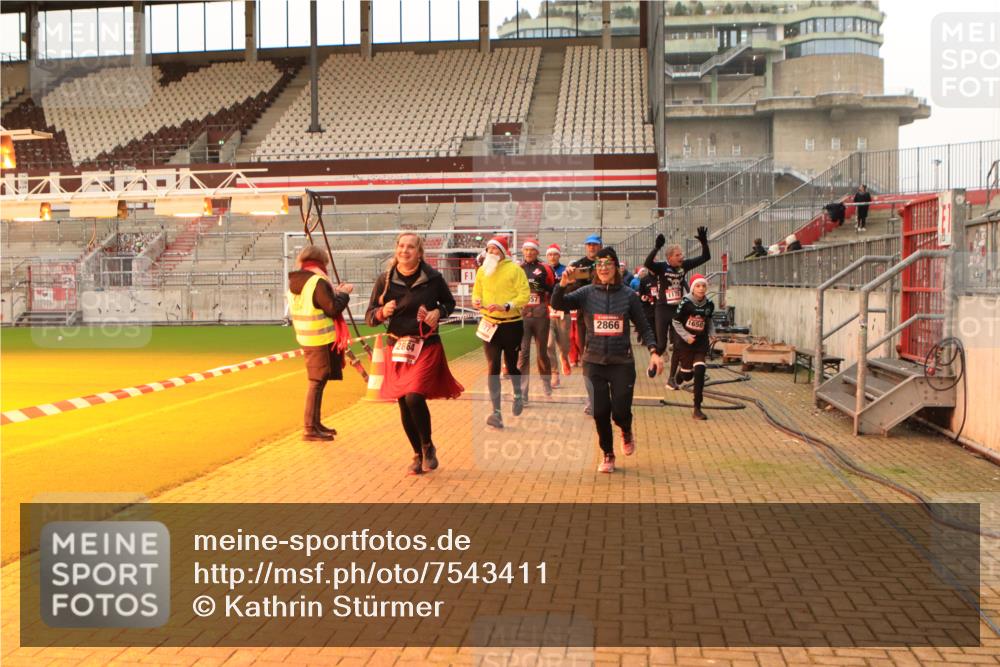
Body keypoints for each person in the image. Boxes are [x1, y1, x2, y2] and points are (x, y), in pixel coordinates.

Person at [551, 247, 663, 473]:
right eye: (599, 265)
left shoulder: (628, 296)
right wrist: (562, 284)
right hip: (593, 362)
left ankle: (626, 429)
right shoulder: (586, 293)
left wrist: (653, 351)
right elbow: (558, 304)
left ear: (616, 268)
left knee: (620, 412)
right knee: (599, 412)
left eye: (608, 264)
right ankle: (608, 454)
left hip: (621, 362)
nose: (603, 269)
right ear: (595, 269)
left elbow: (643, 326)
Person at [366, 232, 464, 475]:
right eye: (401, 246)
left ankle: (428, 445)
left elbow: (449, 303)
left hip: (425, 345)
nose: (404, 250)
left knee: (413, 397)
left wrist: (438, 312)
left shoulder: (433, 278)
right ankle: (417, 454)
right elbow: (370, 317)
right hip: (397, 347)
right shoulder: (385, 280)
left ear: (419, 252)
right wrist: (381, 313)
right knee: (403, 402)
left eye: (410, 247)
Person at [287, 245, 353, 442]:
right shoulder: (317, 281)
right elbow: (332, 308)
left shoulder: (297, 282)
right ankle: (310, 428)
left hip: (307, 337)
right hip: (320, 338)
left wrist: (335, 294)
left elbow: (319, 304)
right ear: (322, 262)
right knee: (316, 382)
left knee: (318, 381)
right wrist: (344, 294)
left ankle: (315, 423)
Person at [473, 236, 530, 429]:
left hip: (512, 325)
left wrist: (506, 306)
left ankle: (518, 394)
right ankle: (496, 412)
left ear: (503, 252)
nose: (491, 252)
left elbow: (524, 295)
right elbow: (477, 291)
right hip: (489, 325)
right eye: (489, 249)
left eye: (495, 249)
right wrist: (476, 301)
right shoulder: (482, 271)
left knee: (512, 366)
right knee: (493, 367)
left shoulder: (515, 269)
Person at [644, 226, 710, 390]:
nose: (682, 257)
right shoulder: (661, 267)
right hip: (662, 309)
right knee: (661, 345)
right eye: (678, 255)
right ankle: (653, 363)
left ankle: (671, 379)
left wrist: (704, 242)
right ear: (670, 258)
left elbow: (705, 257)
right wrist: (656, 247)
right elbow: (647, 263)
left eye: (682, 254)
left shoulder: (683, 266)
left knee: (679, 346)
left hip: (677, 310)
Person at [672, 274, 715, 421]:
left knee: (700, 371)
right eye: (698, 286)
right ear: (692, 288)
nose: (701, 289)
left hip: (701, 343)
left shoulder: (709, 304)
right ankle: (680, 373)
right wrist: (686, 336)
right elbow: (676, 322)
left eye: (703, 286)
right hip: (686, 343)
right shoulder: (685, 303)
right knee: (687, 376)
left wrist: (712, 333)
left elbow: (709, 320)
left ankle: (697, 408)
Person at [567, 234, 602, 413]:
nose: (592, 247)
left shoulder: (606, 262)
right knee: (586, 358)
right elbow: (570, 290)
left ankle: (602, 395)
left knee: (601, 357)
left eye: (595, 245)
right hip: (583, 316)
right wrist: (574, 282)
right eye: (589, 245)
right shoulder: (578, 265)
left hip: (603, 315)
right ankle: (592, 398)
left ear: (600, 246)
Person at [517, 238, 556, 401]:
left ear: (537, 252)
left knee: (541, 353)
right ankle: (523, 393)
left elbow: (553, 289)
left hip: (541, 316)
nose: (529, 253)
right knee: (523, 354)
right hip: (523, 316)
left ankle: (546, 382)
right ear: (523, 251)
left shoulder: (545, 268)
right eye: (526, 250)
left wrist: (541, 288)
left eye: (532, 250)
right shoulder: (518, 268)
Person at [544, 243, 572, 388]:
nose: (552, 257)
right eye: (550, 254)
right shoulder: (542, 270)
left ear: (559, 256)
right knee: (548, 345)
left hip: (563, 313)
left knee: (564, 345)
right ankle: (554, 373)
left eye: (555, 254)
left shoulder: (565, 270)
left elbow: (571, 288)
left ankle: (564, 356)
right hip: (547, 312)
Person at [633, 267, 657, 345]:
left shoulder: (661, 278)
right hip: (648, 305)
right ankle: (646, 339)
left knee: (657, 324)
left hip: (659, 306)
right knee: (649, 323)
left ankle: (656, 340)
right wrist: (643, 297)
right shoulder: (644, 280)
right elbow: (641, 294)